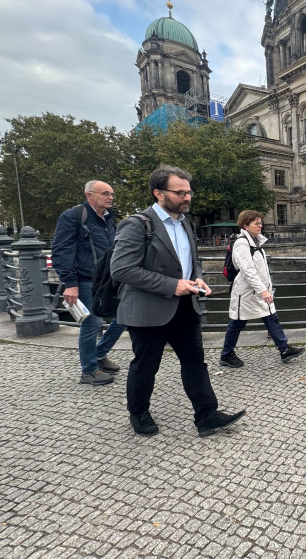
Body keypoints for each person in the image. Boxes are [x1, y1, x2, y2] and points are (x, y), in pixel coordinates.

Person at [110, 165, 245, 437]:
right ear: (159, 193)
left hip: (185, 306)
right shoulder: (137, 224)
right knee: (146, 366)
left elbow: (190, 260)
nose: (188, 197)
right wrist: (173, 285)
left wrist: (196, 278)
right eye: (180, 192)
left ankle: (207, 415)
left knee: (195, 362)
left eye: (189, 192)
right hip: (148, 309)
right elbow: (122, 269)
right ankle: (138, 412)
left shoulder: (186, 222)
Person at [52, 181, 126, 385]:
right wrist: (70, 282)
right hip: (85, 279)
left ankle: (99, 354)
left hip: (109, 278)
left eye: (111, 194)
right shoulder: (73, 216)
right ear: (89, 195)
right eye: (105, 193)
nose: (110, 197)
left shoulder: (109, 218)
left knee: (123, 316)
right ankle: (89, 369)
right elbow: (62, 250)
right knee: (91, 323)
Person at [219, 210, 305, 368]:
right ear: (245, 225)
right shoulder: (242, 243)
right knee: (237, 323)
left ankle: (284, 349)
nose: (260, 225)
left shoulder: (255, 241)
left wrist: (266, 289)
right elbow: (248, 271)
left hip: (258, 291)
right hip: (246, 292)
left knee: (271, 317)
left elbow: (260, 269)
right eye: (256, 223)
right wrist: (263, 291)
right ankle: (226, 354)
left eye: (260, 222)